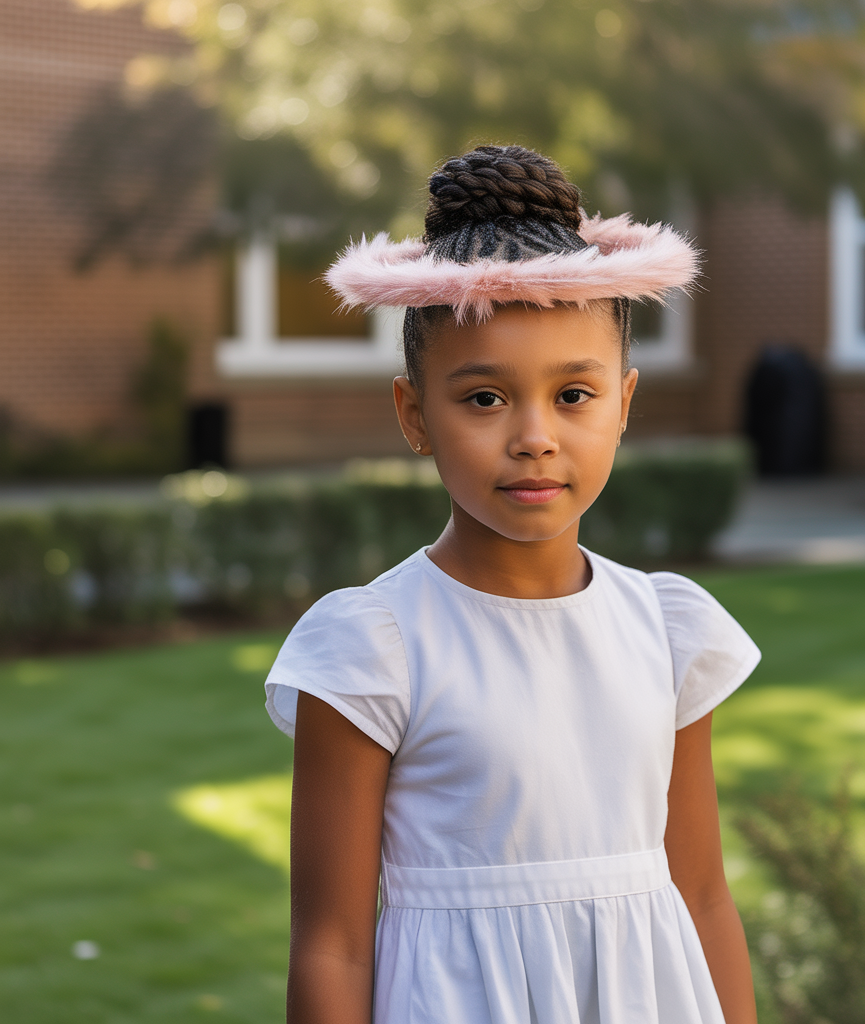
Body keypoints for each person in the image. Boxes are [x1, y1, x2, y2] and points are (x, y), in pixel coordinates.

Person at [265, 145, 761, 1024]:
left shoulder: (667, 630)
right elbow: (331, 944)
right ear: (415, 414)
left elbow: (705, 893)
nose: (534, 436)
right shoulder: (374, 648)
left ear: (624, 403)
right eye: (485, 399)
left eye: (574, 395)